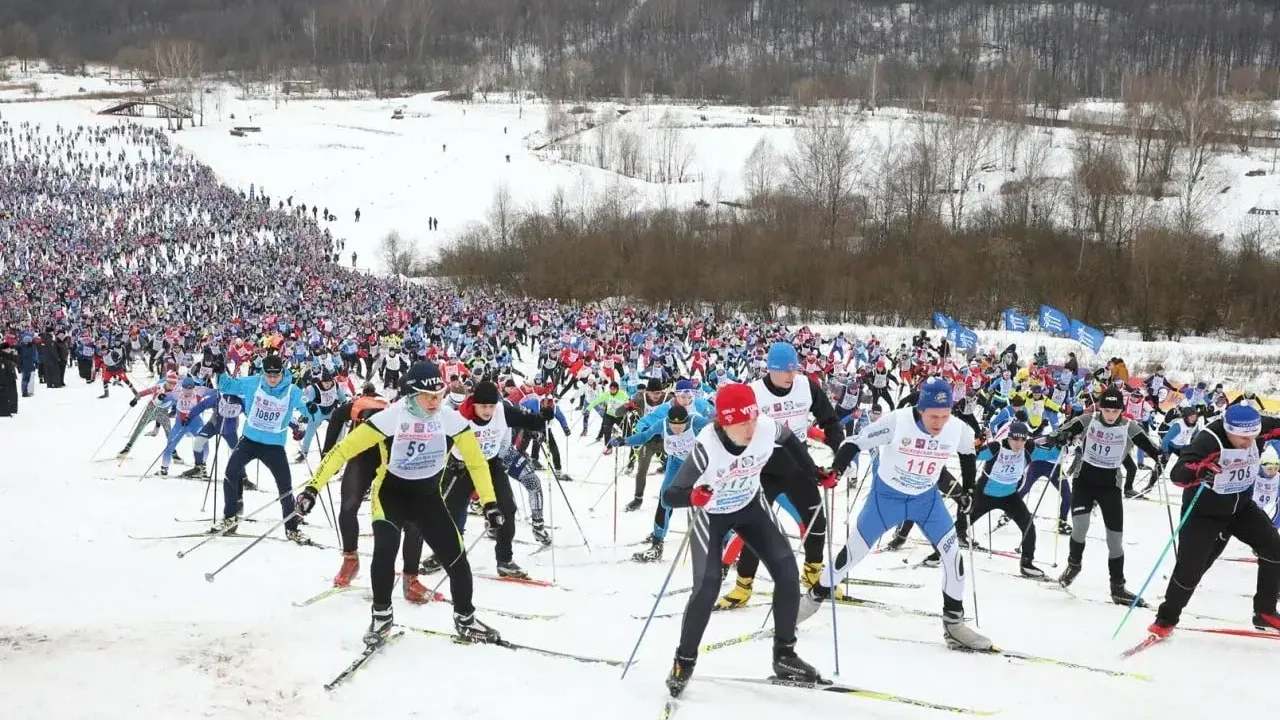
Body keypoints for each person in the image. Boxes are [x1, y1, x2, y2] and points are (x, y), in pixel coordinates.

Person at [297, 361, 504, 646]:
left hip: (428, 498)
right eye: (427, 395)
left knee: (457, 558)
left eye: (439, 394)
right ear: (411, 394)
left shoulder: (449, 418)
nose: (435, 401)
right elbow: (342, 451)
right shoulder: (392, 417)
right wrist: (312, 488)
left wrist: (490, 503)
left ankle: (466, 619)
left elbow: (477, 462)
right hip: (391, 496)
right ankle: (382, 615)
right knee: (385, 550)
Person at [797, 378, 991, 651]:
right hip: (885, 501)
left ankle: (954, 625)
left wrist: (968, 490)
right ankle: (812, 599)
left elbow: (967, 454)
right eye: (933, 416)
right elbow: (855, 442)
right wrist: (837, 470)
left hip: (927, 502)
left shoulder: (957, 429)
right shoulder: (898, 422)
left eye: (945, 416)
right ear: (921, 409)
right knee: (850, 557)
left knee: (952, 556)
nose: (938, 423)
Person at [662, 383, 823, 697]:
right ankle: (684, 660)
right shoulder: (707, 444)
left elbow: (790, 440)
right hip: (712, 516)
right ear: (723, 422)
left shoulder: (764, 427)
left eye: (753, 418)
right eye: (741, 422)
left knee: (787, 572)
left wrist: (814, 472)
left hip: (750, 507)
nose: (751, 428)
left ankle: (785, 655)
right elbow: (670, 495)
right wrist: (693, 497)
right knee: (707, 586)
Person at [1148, 404, 1280, 638]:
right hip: (1204, 513)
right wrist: (1199, 471)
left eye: (1253, 437)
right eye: (1242, 438)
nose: (1249, 443)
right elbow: (1178, 473)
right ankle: (1166, 618)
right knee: (1191, 568)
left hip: (1241, 508)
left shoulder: (1254, 431)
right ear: (1228, 430)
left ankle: (1265, 611)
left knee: (1274, 547)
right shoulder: (1209, 440)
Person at [1046, 386, 1162, 604]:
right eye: (1106, 410)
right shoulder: (1088, 420)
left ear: (1121, 410)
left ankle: (1118, 587)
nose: (1110, 415)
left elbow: (1150, 446)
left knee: (1115, 540)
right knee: (1080, 527)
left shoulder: (1130, 427)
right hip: (1084, 481)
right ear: (1100, 408)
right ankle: (1074, 565)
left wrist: (1159, 456)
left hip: (1110, 486)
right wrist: (1058, 437)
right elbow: (1063, 430)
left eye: (1115, 411)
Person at [215, 354, 311, 540]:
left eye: (276, 375)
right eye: (269, 375)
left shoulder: (292, 391)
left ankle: (291, 528)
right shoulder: (253, 383)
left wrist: (307, 415)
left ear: (282, 372)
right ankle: (230, 516)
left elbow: (307, 406)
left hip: (274, 446)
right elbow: (227, 386)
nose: (273, 379)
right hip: (249, 441)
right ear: (263, 373)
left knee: (285, 486)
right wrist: (221, 373)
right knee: (230, 472)